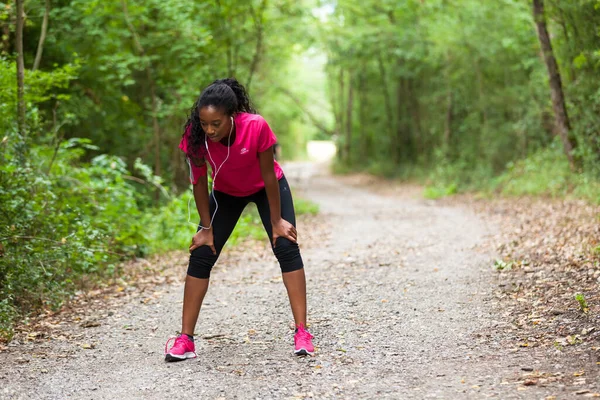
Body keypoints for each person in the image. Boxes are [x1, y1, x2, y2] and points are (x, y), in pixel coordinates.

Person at [164, 78, 314, 362]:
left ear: (232, 116)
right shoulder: (196, 136)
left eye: (216, 124)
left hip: (265, 187)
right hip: (225, 192)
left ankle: (302, 331)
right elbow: (199, 182)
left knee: (285, 246)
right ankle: (185, 339)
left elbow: (268, 175)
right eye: (204, 123)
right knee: (201, 254)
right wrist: (206, 228)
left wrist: (277, 221)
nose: (209, 130)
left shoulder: (255, 126)